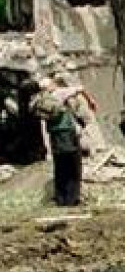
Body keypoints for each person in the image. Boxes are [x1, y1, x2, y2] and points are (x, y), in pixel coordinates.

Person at [30, 78, 84, 206]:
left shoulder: (40, 99)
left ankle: (60, 198)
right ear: (51, 85)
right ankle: (72, 199)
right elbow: (80, 88)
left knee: (59, 166)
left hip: (54, 134)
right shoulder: (59, 93)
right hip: (67, 133)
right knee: (73, 166)